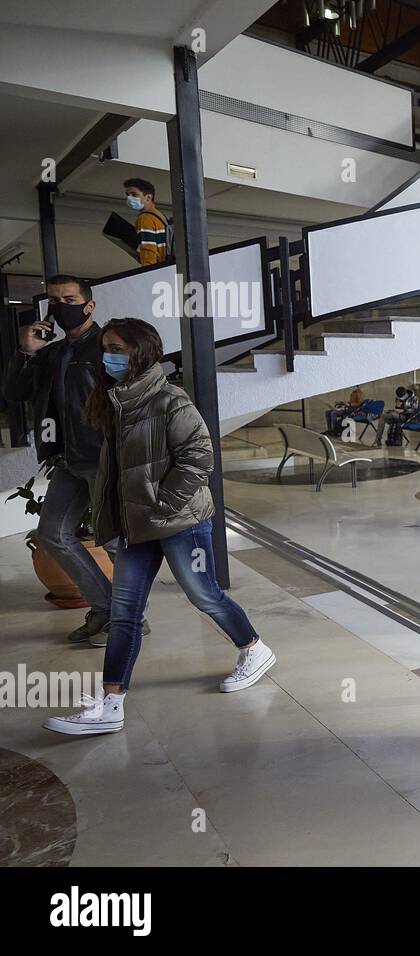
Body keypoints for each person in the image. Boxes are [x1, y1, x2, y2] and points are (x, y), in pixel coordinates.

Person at [43, 318, 274, 736]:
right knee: (125, 611)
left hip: (179, 521)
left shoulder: (170, 400)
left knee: (204, 595)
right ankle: (111, 703)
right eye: (105, 348)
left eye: (116, 348)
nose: (107, 356)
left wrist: (162, 502)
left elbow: (200, 456)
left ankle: (254, 649)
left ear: (141, 351)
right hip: (137, 525)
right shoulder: (114, 398)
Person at [2, 275, 116, 645]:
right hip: (67, 459)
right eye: (54, 300)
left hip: (103, 458)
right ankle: (105, 608)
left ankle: (129, 620)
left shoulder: (107, 346)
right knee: (53, 534)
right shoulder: (50, 352)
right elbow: (16, 392)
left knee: (116, 542)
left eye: (69, 298)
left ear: (89, 304)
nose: (61, 306)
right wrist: (26, 350)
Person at [123, 178, 169, 266]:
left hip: (157, 270)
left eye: (134, 194)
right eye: (127, 195)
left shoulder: (145, 218)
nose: (129, 198)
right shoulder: (160, 216)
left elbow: (148, 251)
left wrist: (147, 271)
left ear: (148, 197)